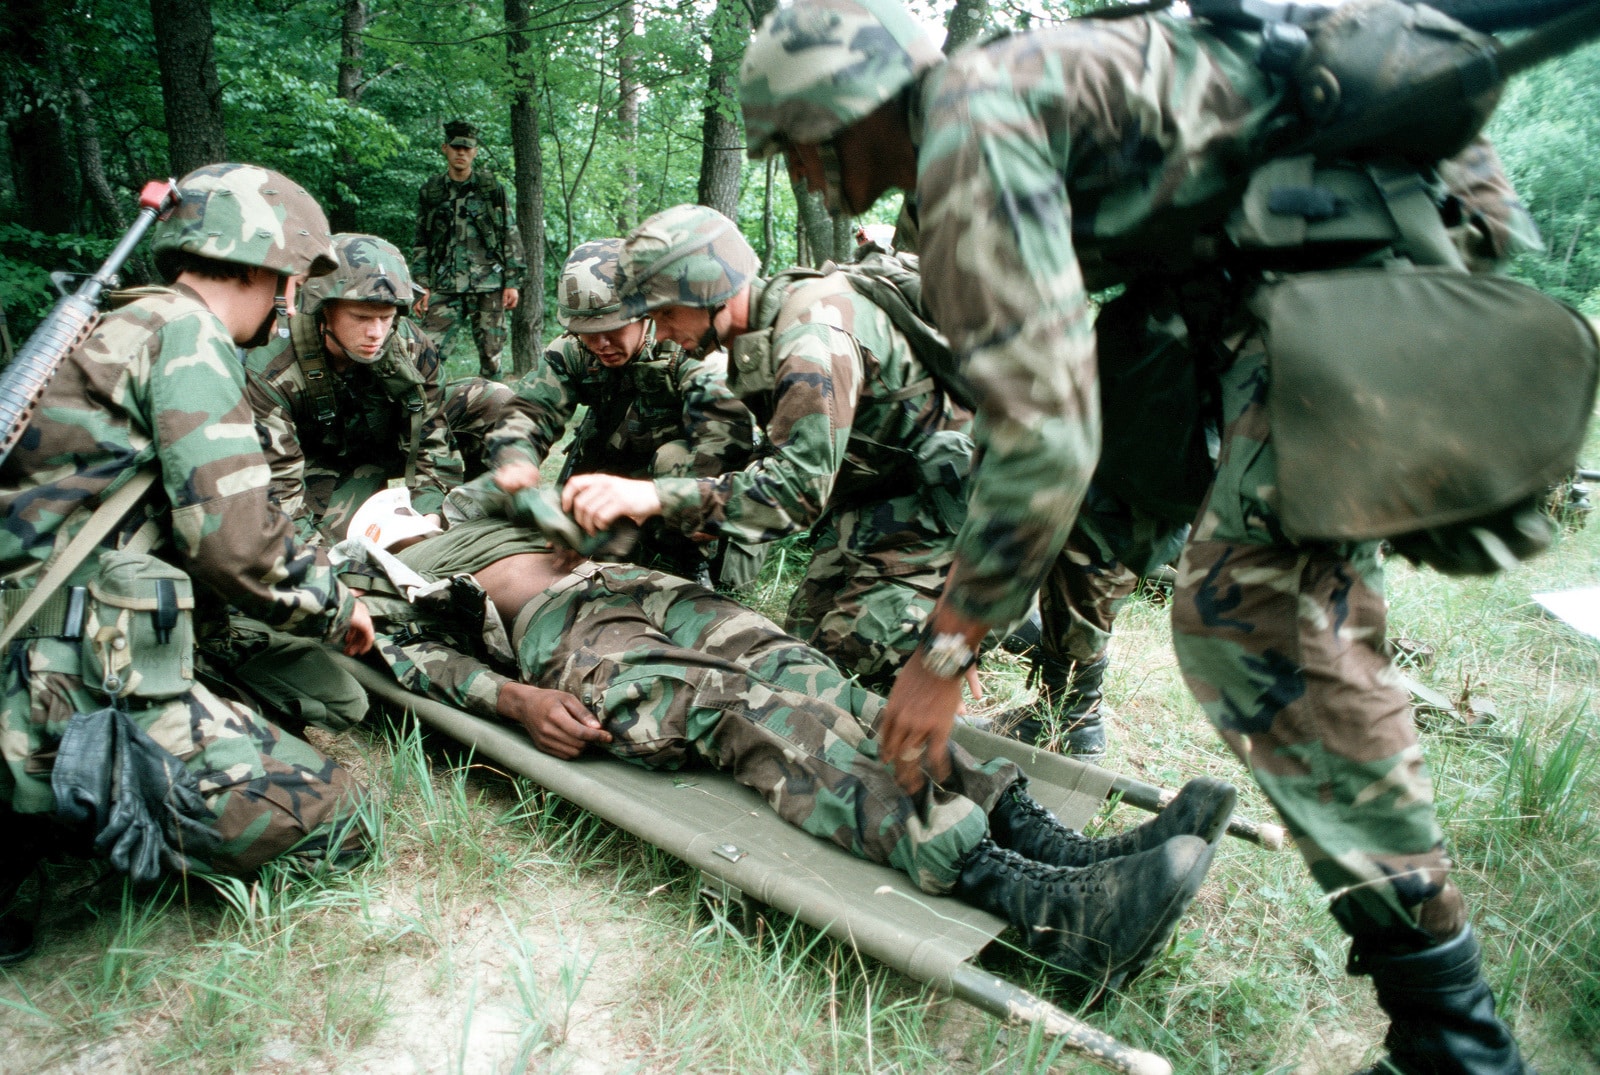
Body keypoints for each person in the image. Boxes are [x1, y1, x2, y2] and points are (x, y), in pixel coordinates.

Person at [737, 1, 1551, 1070]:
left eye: (797, 143)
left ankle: (1455, 1037)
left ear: (843, 105)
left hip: (1341, 271)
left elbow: (1044, 439)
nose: (800, 172)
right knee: (1122, 502)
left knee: (1248, 614)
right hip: (1268, 280)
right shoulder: (997, 105)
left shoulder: (972, 131)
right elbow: (1048, 425)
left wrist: (945, 654)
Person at [339, 485, 1237, 1001]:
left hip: (631, 584)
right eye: (392, 513)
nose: (405, 512)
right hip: (556, 637)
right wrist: (517, 698)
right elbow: (410, 658)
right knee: (752, 713)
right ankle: (1047, 909)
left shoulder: (476, 502)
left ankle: (1062, 844)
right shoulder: (373, 567)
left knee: (821, 681)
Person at [0, 163, 378, 963]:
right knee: (340, 811)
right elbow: (237, 544)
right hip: (60, 681)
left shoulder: (119, 326)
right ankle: (81, 800)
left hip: (29, 649)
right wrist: (341, 607)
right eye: (285, 280)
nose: (285, 302)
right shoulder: (188, 334)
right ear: (257, 267)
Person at [538, 205, 975, 691]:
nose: (661, 334)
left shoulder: (812, 338)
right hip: (873, 497)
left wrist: (654, 497)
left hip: (941, 511)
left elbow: (798, 492)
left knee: (842, 679)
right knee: (801, 654)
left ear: (709, 291)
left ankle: (987, 607)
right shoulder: (764, 326)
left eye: (664, 313)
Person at [487, 239, 762, 586]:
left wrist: (654, 510)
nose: (600, 344)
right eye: (588, 332)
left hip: (690, 482)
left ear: (642, 313)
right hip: (623, 470)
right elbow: (530, 408)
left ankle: (689, 564)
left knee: (672, 459)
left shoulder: (686, 345)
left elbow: (723, 442)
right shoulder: (572, 351)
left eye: (612, 328)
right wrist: (516, 456)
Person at [246, 232, 463, 545]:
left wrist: (429, 512)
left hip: (383, 443)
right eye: (361, 317)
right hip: (313, 465)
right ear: (324, 311)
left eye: (386, 318)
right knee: (336, 545)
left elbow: (432, 439)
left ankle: (475, 517)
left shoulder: (413, 348)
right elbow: (277, 488)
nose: (375, 332)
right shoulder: (273, 368)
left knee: (491, 400)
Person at [412, 120, 526, 379]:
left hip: (489, 283)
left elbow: (510, 232)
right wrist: (422, 286)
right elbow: (421, 240)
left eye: (467, 148)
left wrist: (513, 281)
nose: (461, 153)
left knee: (491, 358)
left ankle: (492, 414)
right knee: (427, 353)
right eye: (456, 147)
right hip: (445, 285)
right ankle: (429, 412)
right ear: (445, 148)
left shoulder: (490, 189)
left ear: (475, 151)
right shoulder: (431, 191)